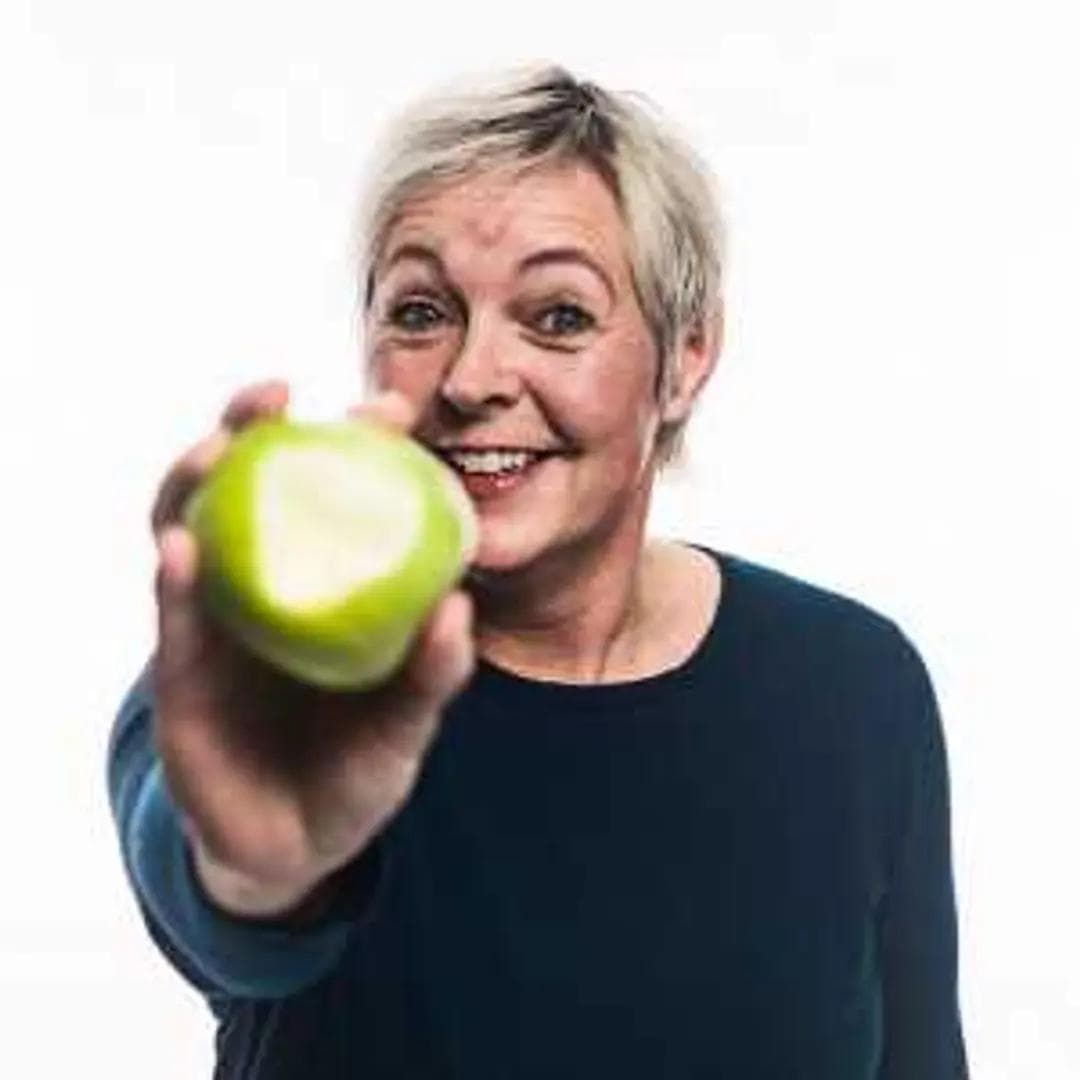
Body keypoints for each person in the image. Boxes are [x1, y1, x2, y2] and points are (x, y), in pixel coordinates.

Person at [107, 64, 970, 1078]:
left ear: (687, 355)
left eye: (558, 316)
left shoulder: (852, 683)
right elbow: (214, 882)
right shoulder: (272, 694)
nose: (473, 380)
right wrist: (257, 877)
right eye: (422, 312)